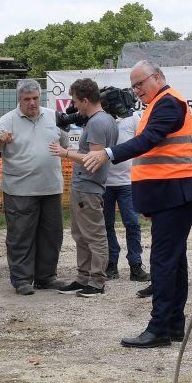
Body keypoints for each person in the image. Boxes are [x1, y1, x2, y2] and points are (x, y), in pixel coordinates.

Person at [82, 60, 192, 348]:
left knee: (163, 262)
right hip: (170, 193)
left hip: (174, 192)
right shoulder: (159, 103)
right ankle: (173, 323)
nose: (136, 90)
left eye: (140, 83)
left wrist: (107, 153)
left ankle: (159, 327)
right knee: (173, 261)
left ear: (157, 78)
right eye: (133, 85)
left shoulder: (168, 102)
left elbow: (148, 141)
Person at [0, 79, 68, 295]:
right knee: (20, 236)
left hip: (51, 188)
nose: (32, 103)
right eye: (27, 99)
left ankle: (46, 277)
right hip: (19, 190)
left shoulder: (53, 116)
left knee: (52, 236)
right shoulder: (7, 120)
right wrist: (0, 140)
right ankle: (21, 279)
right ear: (19, 100)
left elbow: (65, 144)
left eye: (35, 98)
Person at [48, 78, 117, 297]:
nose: (74, 107)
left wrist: (65, 153)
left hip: (88, 187)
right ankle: (83, 277)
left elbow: (94, 159)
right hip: (86, 187)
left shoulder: (97, 123)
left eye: (76, 101)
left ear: (86, 100)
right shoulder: (105, 119)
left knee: (94, 236)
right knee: (81, 235)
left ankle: (96, 282)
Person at [103, 110, 149, 282]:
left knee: (132, 223)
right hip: (104, 183)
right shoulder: (100, 118)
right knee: (106, 225)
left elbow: (143, 142)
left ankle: (135, 266)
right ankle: (111, 263)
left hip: (127, 182)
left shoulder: (133, 118)